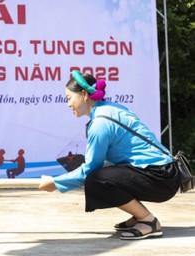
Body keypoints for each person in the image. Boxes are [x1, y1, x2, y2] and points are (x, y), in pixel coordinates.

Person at [38, 71, 179, 240]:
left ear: (83, 94)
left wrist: (55, 183)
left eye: (69, 98)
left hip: (161, 178)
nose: (68, 104)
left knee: (96, 178)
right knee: (103, 171)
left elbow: (89, 169)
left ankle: (148, 221)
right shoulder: (110, 108)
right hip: (166, 173)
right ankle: (138, 215)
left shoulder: (100, 123)